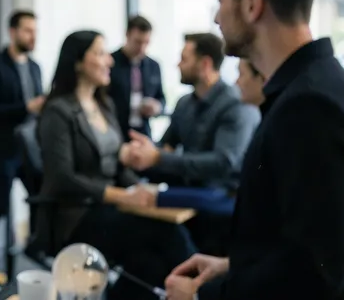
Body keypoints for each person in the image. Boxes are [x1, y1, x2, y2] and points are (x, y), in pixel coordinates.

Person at [164, 0, 344, 300]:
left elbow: (316, 274)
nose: (216, 17)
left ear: (251, 4)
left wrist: (203, 297)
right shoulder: (312, 85)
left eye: (220, 1)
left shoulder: (306, 106)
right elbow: (300, 240)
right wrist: (234, 266)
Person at [37, 30, 196, 300]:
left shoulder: (105, 105)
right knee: (170, 233)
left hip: (110, 207)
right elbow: (62, 177)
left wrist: (141, 190)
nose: (109, 60)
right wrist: (122, 195)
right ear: (77, 62)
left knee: (150, 265)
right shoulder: (58, 111)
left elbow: (118, 164)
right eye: (99, 53)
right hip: (77, 215)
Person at [121, 33, 259, 193]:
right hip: (188, 186)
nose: (178, 65)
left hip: (221, 192)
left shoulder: (236, 105)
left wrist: (158, 157)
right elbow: (167, 146)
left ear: (205, 64)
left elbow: (223, 162)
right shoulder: (184, 103)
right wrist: (141, 150)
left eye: (184, 59)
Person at [0, 10, 45, 249]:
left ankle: (34, 248)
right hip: (1, 149)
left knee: (42, 198)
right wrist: (28, 106)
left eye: (35, 31)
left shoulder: (36, 67)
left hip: (29, 149)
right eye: (28, 31)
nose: (32, 36)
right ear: (13, 32)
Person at [108, 15, 165, 141]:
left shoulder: (153, 66)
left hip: (143, 131)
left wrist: (156, 107)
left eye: (146, 42)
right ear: (127, 35)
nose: (142, 48)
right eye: (138, 42)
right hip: (115, 130)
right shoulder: (110, 63)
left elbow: (161, 98)